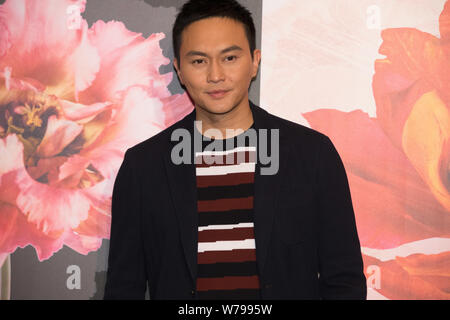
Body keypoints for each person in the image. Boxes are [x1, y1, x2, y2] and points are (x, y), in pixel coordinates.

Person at [104, 0, 366, 300]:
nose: (215, 75)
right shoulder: (143, 168)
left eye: (229, 58)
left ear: (254, 61)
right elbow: (124, 287)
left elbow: (344, 280)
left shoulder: (312, 155)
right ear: (179, 69)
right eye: (199, 61)